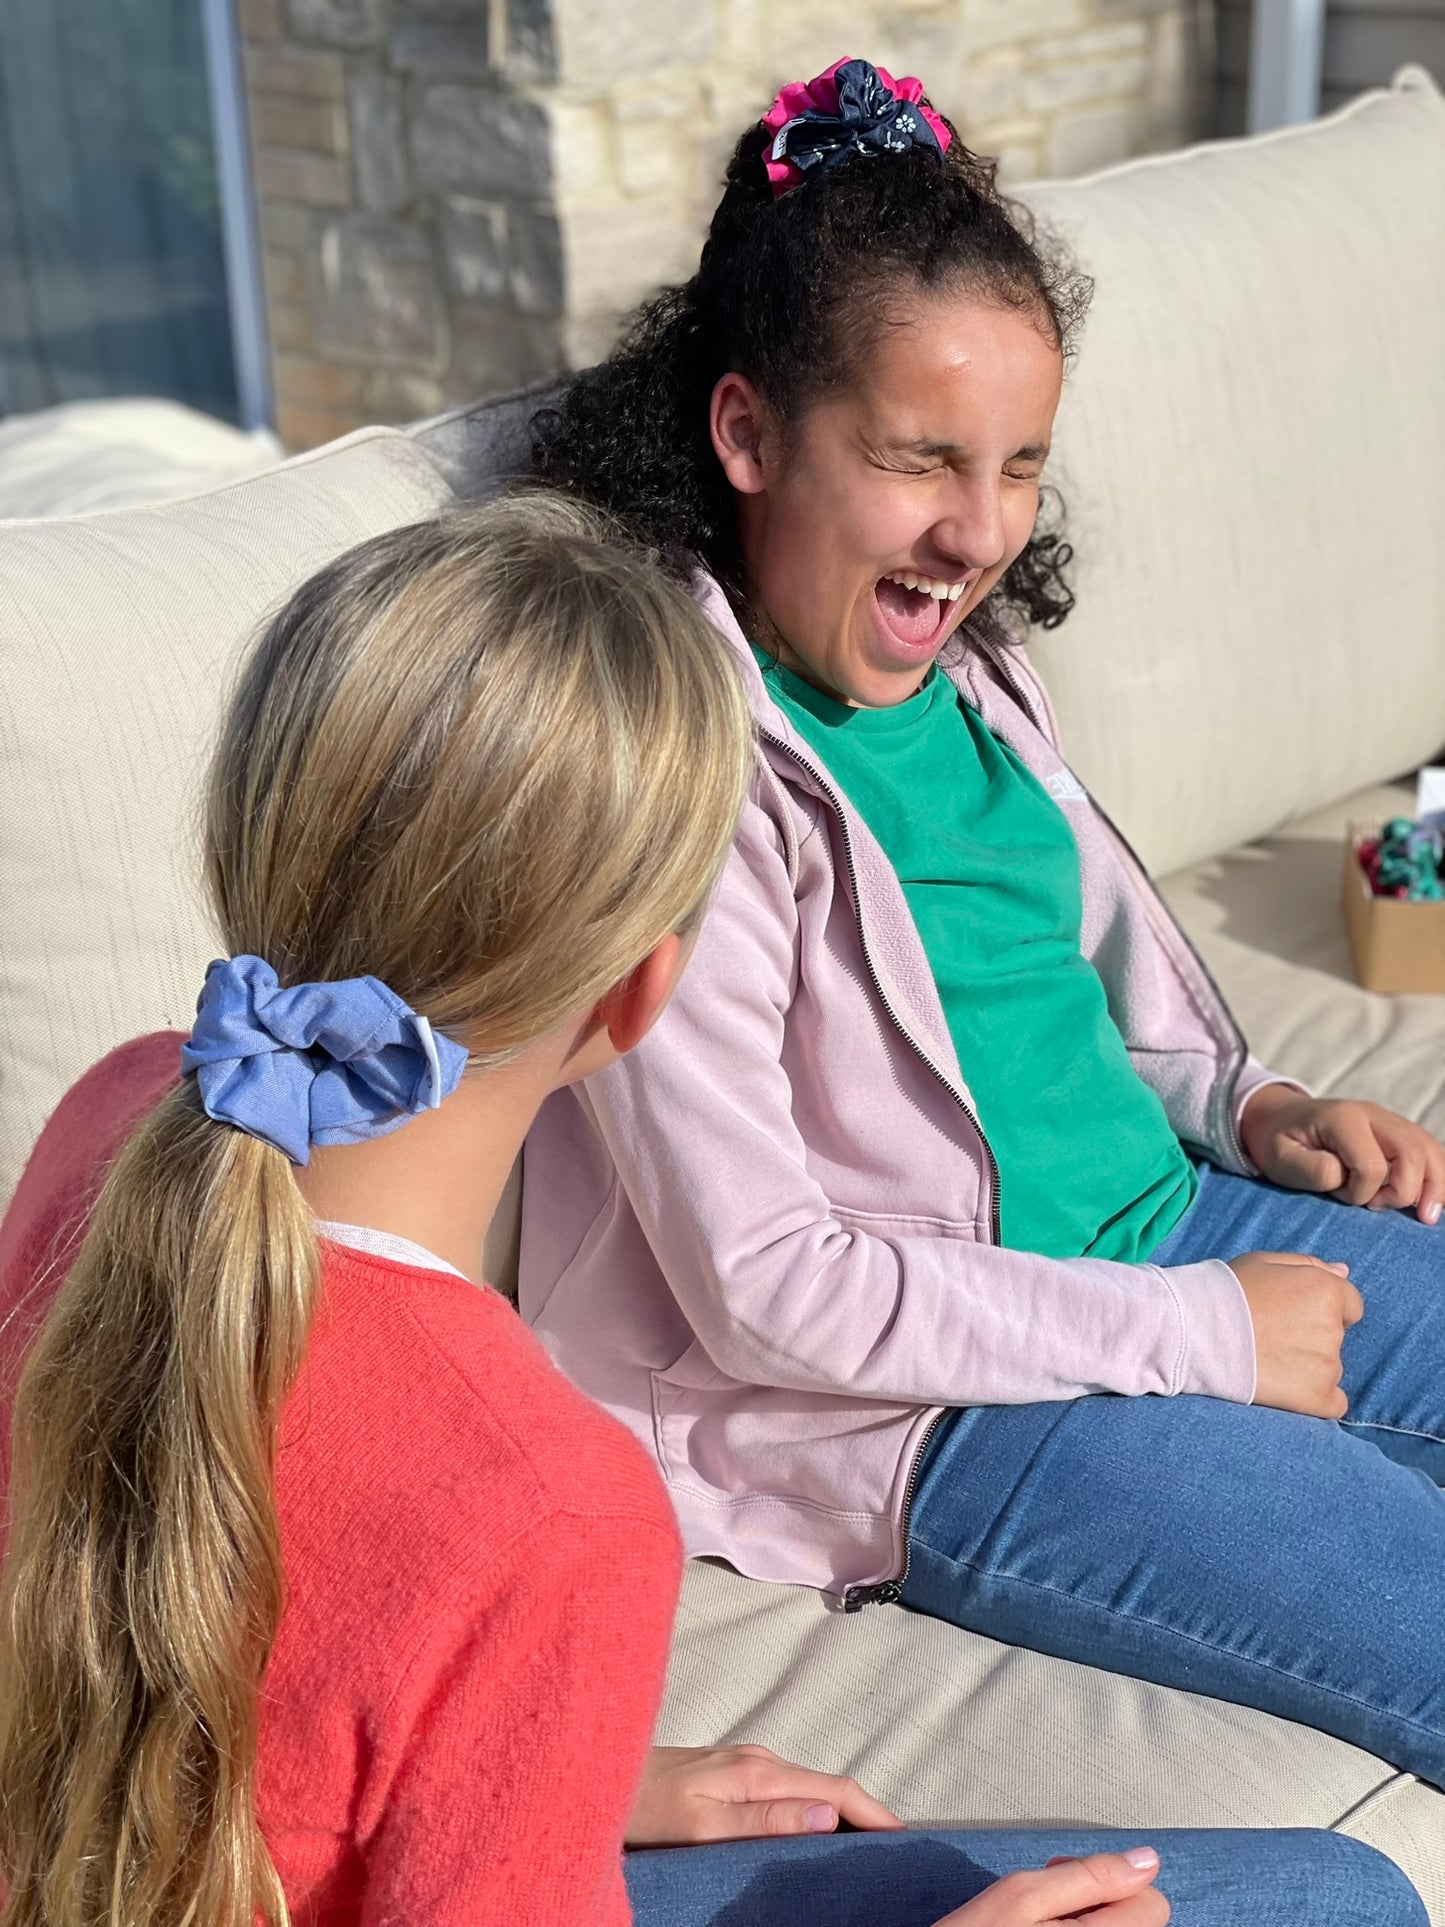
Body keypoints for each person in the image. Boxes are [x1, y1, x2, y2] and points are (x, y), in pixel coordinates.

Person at [7, 495, 1411, 1927]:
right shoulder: (548, 1509)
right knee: (1338, 1904)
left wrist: (530, 1775)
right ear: (640, 999)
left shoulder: (117, 1122)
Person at [525, 54, 1445, 1789]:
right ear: (744, 433)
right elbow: (766, 1293)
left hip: (1176, 1222)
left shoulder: (956, 668)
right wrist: (1198, 1336)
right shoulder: (666, 772)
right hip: (947, 1412)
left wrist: (1249, 1106)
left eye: (1019, 464)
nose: (979, 530)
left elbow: (1069, 977)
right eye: (920, 459)